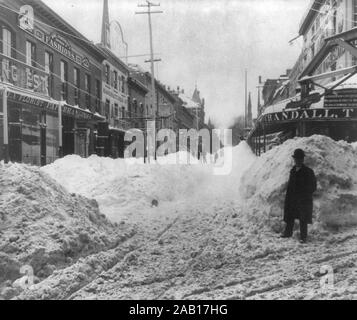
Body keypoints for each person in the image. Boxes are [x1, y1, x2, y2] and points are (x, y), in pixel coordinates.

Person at [281, 148, 317, 244]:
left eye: (300, 159)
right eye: (296, 159)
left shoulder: (308, 171)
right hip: (293, 198)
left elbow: (313, 186)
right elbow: (290, 185)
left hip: (303, 199)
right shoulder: (292, 171)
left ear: (303, 159)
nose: (298, 160)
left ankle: (303, 237)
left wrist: (305, 194)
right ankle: (288, 233)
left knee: (303, 218)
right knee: (290, 215)